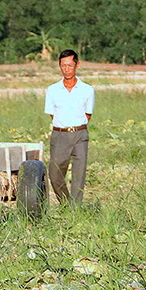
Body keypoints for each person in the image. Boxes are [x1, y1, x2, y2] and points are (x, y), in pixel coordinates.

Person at [44, 49, 94, 204]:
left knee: (79, 176)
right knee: (55, 174)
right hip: (60, 135)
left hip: (80, 134)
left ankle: (75, 211)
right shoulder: (52, 90)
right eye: (63, 66)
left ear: (77, 65)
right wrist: (64, 126)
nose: (67, 69)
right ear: (59, 66)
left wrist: (75, 125)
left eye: (70, 65)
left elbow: (88, 114)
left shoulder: (87, 90)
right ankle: (66, 203)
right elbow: (52, 114)